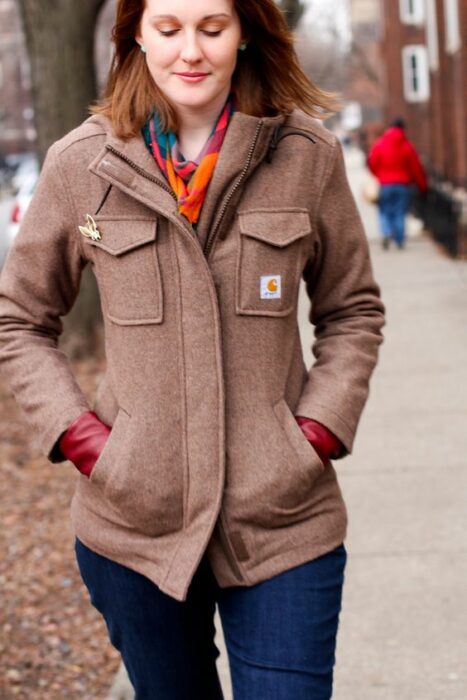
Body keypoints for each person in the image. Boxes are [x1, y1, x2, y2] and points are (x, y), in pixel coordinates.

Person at [0, 0, 385, 698]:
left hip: (283, 523)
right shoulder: (81, 163)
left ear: (244, 34)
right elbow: (19, 320)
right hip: (132, 528)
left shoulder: (306, 156)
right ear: (136, 35)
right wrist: (85, 440)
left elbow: (351, 309)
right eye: (169, 28)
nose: (191, 52)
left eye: (212, 28)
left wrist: (317, 432)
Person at [368, 117, 428, 250]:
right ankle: (399, 240)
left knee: (384, 211)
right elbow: (416, 168)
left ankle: (386, 232)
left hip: (385, 185)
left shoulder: (380, 144)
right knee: (400, 212)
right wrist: (422, 186)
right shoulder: (407, 146)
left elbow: (372, 162)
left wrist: (379, 175)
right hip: (402, 185)